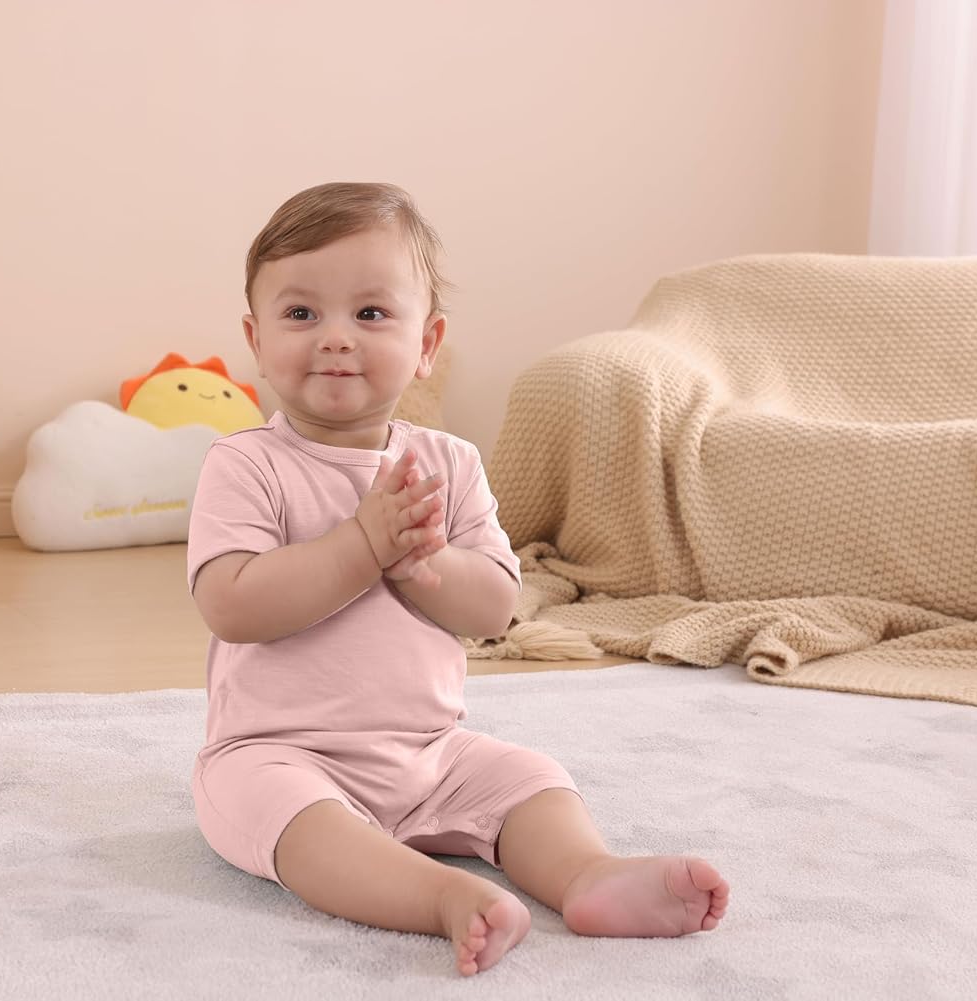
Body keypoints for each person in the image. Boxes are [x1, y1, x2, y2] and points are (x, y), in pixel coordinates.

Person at [187, 182, 728, 976]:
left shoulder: (448, 463)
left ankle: (587, 874)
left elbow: (495, 607)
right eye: (301, 313)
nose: (335, 337)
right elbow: (232, 604)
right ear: (256, 339)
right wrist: (361, 545)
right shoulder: (246, 465)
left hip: (428, 751)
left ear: (427, 342)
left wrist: (425, 564)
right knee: (292, 820)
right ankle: (440, 895)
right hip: (279, 752)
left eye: (371, 313)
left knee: (529, 777)